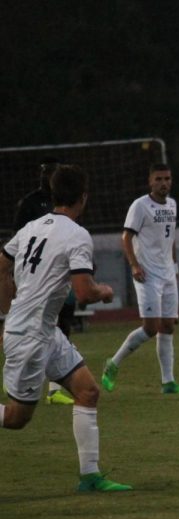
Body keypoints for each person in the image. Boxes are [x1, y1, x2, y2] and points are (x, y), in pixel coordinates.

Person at [0, 164, 132, 491]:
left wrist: (7, 311)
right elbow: (85, 292)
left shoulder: (31, 226)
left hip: (43, 330)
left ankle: (90, 476)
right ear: (83, 197)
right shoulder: (76, 234)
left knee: (87, 390)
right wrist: (105, 291)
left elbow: (1, 266)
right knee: (17, 418)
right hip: (29, 335)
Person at [101, 164, 179, 394]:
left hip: (167, 274)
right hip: (147, 274)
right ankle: (113, 364)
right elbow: (126, 237)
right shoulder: (140, 206)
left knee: (168, 326)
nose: (164, 183)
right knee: (151, 328)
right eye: (159, 179)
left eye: (167, 178)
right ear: (150, 182)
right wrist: (134, 265)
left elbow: (170, 237)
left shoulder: (172, 204)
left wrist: (174, 266)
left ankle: (168, 382)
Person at [11, 157, 76, 405]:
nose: (47, 177)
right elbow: (16, 242)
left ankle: (53, 388)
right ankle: (22, 379)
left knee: (63, 324)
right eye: (44, 173)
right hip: (34, 280)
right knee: (32, 331)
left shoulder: (64, 206)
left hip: (60, 278)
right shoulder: (29, 204)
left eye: (51, 173)